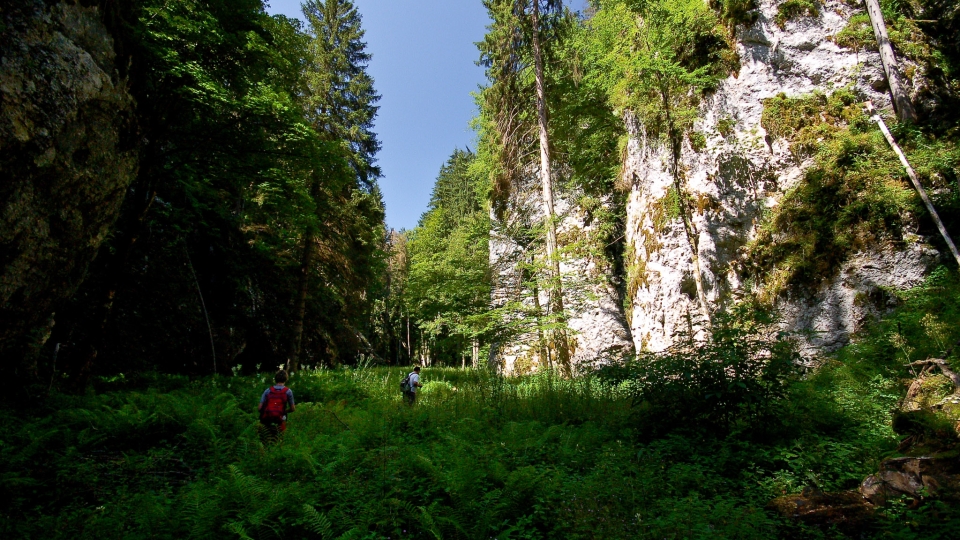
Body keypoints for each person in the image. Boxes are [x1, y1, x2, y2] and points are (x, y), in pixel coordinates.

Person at [258, 370, 295, 443]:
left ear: (275, 379)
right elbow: (293, 409)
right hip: (280, 419)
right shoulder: (288, 391)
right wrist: (284, 411)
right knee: (278, 440)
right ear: (286, 379)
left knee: (265, 440)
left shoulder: (268, 390)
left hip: (267, 419)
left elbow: (259, 408)